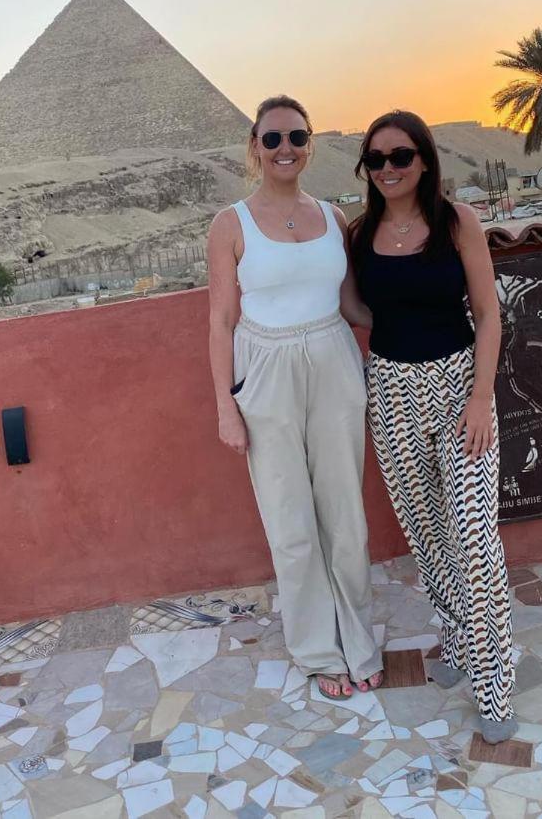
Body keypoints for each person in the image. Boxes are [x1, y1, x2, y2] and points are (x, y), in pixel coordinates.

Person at [207, 95, 383, 700]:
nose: (286, 148)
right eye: (274, 138)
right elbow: (220, 321)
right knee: (290, 520)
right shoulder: (230, 224)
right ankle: (316, 649)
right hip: (266, 365)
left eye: (298, 137)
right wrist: (226, 406)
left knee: (345, 514)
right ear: (255, 147)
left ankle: (357, 639)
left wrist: (417, 323)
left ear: (310, 145)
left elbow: (351, 304)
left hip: (334, 357)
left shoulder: (333, 217)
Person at [348, 110, 515, 743]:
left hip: (459, 388)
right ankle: (458, 641)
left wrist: (480, 398)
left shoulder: (456, 221)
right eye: (376, 159)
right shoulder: (360, 234)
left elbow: (488, 314)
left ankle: (495, 686)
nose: (388, 168)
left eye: (401, 156)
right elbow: (351, 304)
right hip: (393, 390)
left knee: (474, 537)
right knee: (428, 535)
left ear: (424, 160)